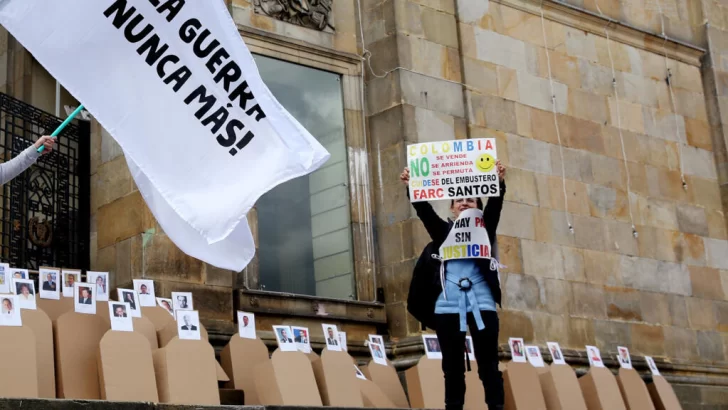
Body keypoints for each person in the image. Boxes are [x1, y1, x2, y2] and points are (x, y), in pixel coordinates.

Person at [402, 160, 507, 410]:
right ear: (452, 209)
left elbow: (496, 205)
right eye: (459, 200)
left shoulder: (486, 229)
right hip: (448, 306)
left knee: (489, 365)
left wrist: (499, 182)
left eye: (471, 200)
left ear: (478, 208)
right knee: (452, 368)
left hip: (482, 304)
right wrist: (412, 186)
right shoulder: (442, 233)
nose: (464, 202)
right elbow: (424, 211)